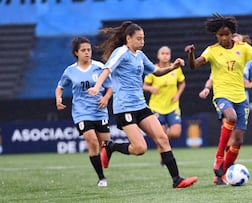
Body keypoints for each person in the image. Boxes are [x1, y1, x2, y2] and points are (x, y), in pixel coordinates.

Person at [88, 21, 197, 188]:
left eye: (143, 38)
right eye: (139, 39)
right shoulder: (121, 52)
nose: (142, 42)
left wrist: (173, 67)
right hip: (125, 108)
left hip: (141, 106)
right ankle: (111, 147)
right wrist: (97, 87)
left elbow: (157, 72)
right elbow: (107, 70)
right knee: (140, 149)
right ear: (128, 38)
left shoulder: (140, 56)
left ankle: (177, 180)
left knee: (162, 138)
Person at [185, 15, 252, 185]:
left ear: (232, 34)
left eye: (227, 34)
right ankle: (218, 157)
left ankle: (222, 174)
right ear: (216, 36)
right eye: (220, 35)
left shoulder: (243, 48)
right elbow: (194, 65)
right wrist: (191, 54)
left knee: (238, 140)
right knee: (231, 117)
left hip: (241, 98)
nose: (224, 38)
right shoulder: (212, 50)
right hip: (222, 95)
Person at [55, 37, 113, 187]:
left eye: (89, 49)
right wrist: (58, 98)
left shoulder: (99, 67)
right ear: (76, 53)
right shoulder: (70, 71)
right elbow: (60, 86)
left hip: (99, 111)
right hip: (81, 112)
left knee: (106, 145)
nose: (87, 52)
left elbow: (110, 86)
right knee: (92, 141)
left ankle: (103, 162)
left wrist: (106, 98)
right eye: (83, 50)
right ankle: (101, 178)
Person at [143, 46, 186, 166]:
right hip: (156, 108)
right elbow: (144, 86)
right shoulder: (153, 69)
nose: (165, 55)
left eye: (167, 53)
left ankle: (162, 141)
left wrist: (178, 94)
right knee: (161, 135)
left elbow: (182, 83)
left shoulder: (176, 69)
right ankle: (163, 159)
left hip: (172, 107)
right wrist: (151, 88)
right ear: (158, 56)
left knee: (175, 133)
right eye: (163, 53)